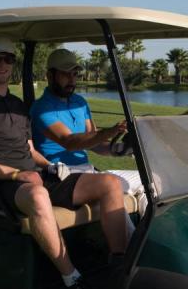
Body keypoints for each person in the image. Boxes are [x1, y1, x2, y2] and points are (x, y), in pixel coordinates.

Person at [0, 38, 129, 289]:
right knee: (37, 195)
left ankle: (119, 268)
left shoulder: (18, 106)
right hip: (2, 183)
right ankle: (72, 278)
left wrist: (48, 165)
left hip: (36, 175)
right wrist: (15, 175)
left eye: (8, 59)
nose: (3, 64)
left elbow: (29, 149)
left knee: (108, 183)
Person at [30, 48, 147, 210]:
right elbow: (69, 142)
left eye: (75, 74)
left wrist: (121, 148)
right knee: (110, 193)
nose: (72, 80)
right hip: (62, 175)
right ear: (50, 75)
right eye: (66, 74)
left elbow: (94, 143)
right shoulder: (42, 109)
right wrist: (109, 132)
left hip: (86, 171)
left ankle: (145, 231)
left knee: (149, 181)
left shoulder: (80, 102)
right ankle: (129, 235)